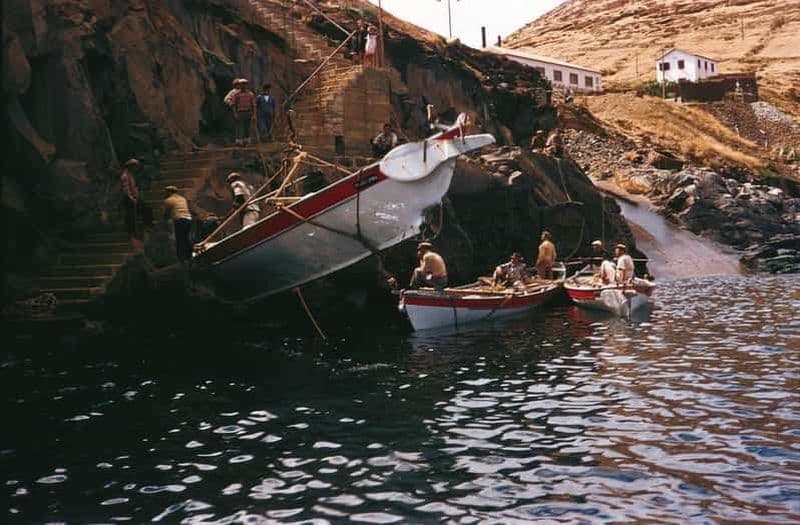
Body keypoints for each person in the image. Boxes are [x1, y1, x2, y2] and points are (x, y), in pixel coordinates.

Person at [163, 186, 193, 263]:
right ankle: (189, 256)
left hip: (179, 220)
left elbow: (166, 214)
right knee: (186, 238)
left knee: (180, 240)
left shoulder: (168, 200)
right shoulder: (183, 198)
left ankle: (181, 259)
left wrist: (164, 221)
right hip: (188, 219)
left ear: (169, 192)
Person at [120, 158, 141, 245]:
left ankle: (134, 233)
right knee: (130, 217)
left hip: (133, 197)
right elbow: (126, 190)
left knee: (133, 216)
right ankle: (131, 234)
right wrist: (132, 198)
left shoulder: (130, 175)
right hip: (128, 199)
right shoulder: (125, 176)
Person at [231, 79, 256, 145]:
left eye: (245, 84)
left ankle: (246, 140)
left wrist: (254, 115)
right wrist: (235, 113)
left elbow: (253, 105)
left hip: (248, 112)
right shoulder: (236, 94)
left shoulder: (250, 94)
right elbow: (234, 104)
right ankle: (239, 141)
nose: (243, 85)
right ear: (239, 85)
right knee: (240, 127)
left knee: (247, 127)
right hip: (240, 112)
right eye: (242, 84)